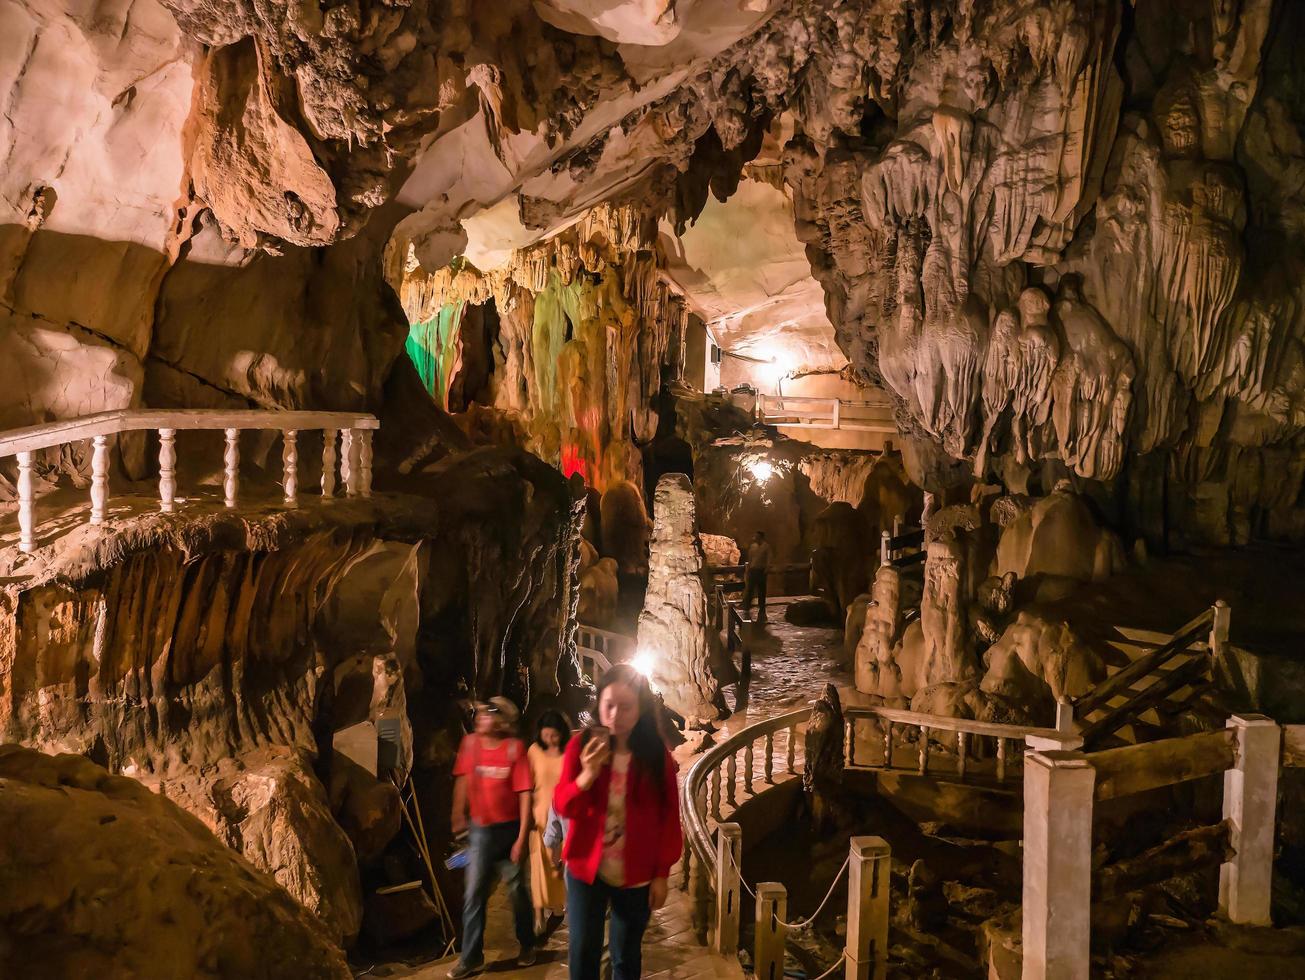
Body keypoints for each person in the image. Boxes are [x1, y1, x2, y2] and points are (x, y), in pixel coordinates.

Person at [553, 664, 682, 980]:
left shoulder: (655, 756)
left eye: (626, 707)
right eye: (608, 705)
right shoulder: (581, 747)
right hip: (587, 868)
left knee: (625, 956)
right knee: (583, 952)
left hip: (636, 873)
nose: (615, 715)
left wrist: (662, 874)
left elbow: (669, 817)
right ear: (598, 704)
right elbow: (562, 806)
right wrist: (587, 775)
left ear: (640, 709)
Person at [448, 696, 536, 978]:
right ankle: (471, 957)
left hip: (509, 831)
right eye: (483, 711)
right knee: (474, 895)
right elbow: (462, 779)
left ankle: (527, 944)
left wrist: (522, 837)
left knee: (517, 892)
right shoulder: (470, 744)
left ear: (504, 720)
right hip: (481, 833)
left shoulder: (514, 749)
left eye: (490, 712)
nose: (482, 715)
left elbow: (524, 794)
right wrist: (457, 815)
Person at [527, 709, 570, 933]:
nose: (550, 740)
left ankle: (557, 909)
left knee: (556, 869)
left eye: (554, 736)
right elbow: (527, 785)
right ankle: (537, 917)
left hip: (563, 819)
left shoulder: (570, 753)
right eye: (546, 736)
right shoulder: (534, 751)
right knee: (538, 869)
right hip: (539, 817)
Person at [742, 529, 772, 623]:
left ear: (761, 537)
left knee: (761, 591)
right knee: (750, 588)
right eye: (755, 536)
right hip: (753, 570)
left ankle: (762, 608)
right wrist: (749, 569)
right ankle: (747, 606)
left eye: (757, 537)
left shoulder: (766, 547)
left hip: (761, 570)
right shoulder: (753, 546)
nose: (755, 538)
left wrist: (767, 568)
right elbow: (750, 558)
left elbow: (769, 558)